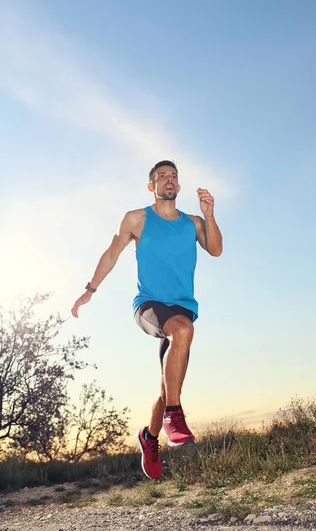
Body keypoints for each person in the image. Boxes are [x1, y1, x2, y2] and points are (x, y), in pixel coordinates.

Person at [71, 160, 223, 479]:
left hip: (182, 307)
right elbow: (112, 252)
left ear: (179, 188)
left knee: (169, 385)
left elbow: (216, 249)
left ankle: (150, 437)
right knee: (183, 330)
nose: (169, 180)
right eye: (161, 176)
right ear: (151, 186)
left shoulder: (192, 223)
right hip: (149, 305)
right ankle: (174, 416)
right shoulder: (137, 218)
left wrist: (209, 215)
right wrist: (90, 290)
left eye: (173, 177)